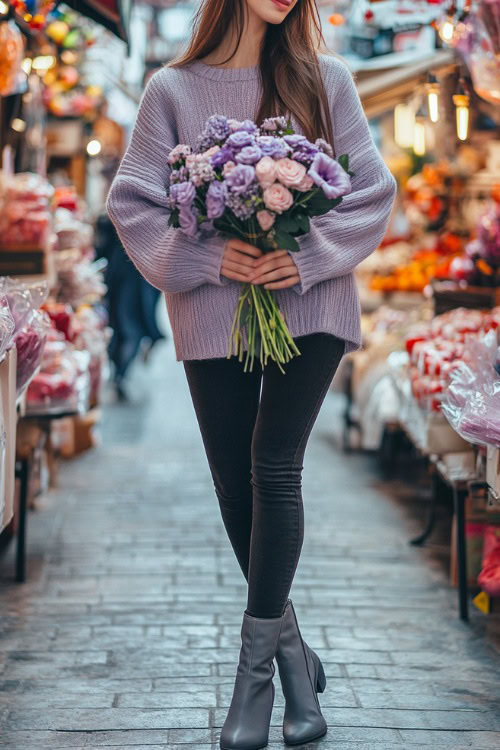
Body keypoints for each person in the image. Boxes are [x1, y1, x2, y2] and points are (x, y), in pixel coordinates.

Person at [106, 1, 396, 747]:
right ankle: (294, 658)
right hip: (212, 312)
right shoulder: (172, 90)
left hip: (312, 302)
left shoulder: (324, 79)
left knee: (274, 467)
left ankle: (253, 682)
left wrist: (302, 255)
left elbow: (372, 190)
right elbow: (132, 204)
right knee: (234, 481)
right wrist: (208, 257)